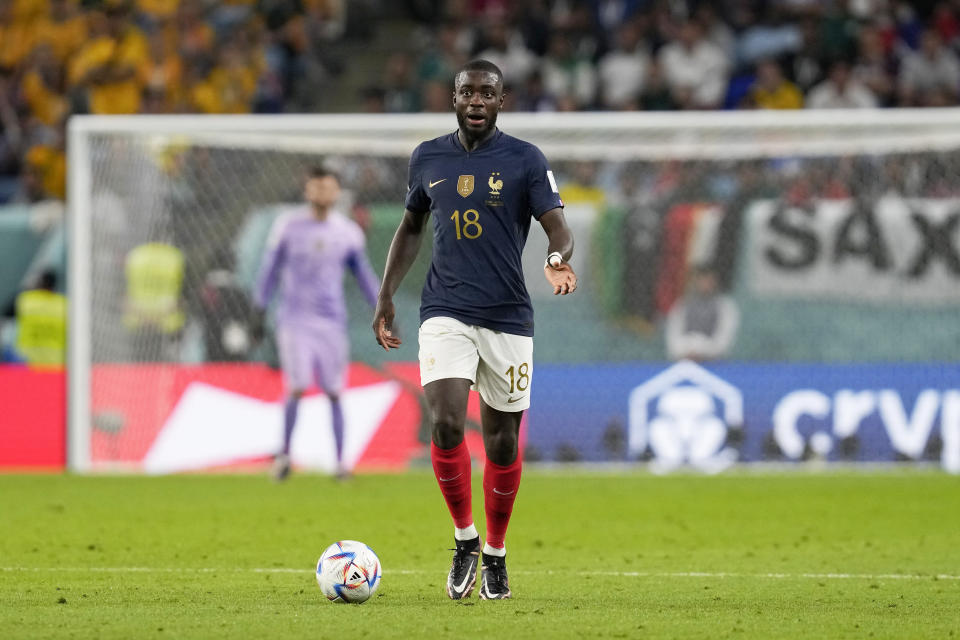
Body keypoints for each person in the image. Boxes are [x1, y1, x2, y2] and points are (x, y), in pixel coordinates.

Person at [372, 59, 578, 601]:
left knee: (503, 442)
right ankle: (465, 540)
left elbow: (557, 223)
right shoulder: (427, 157)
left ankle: (496, 553)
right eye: (468, 92)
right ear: (455, 98)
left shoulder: (525, 160)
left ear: (502, 100)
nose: (477, 101)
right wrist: (388, 293)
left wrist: (556, 256)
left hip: (508, 316)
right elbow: (411, 225)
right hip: (444, 309)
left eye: (488, 93)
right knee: (442, 422)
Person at [254, 166, 380, 481]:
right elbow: (269, 269)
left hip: (331, 322)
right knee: (296, 386)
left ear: (337, 193)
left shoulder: (347, 231)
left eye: (328, 188)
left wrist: (382, 307)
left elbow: (363, 274)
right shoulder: (288, 226)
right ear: (306, 190)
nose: (322, 193)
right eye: (316, 187)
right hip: (294, 320)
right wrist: (258, 308)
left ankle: (341, 464)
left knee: (335, 391)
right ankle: (283, 457)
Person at [665, 265, 739, 362]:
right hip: (684, 360)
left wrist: (702, 351)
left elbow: (724, 340)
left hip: (714, 363)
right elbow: (673, 335)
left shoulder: (725, 306)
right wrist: (686, 351)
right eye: (701, 280)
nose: (705, 284)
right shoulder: (682, 305)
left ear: (715, 282)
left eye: (709, 280)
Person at [14, 269, 67, 367]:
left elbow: (6, 313)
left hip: (27, 361)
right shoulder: (63, 304)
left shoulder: (26, 300)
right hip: (56, 364)